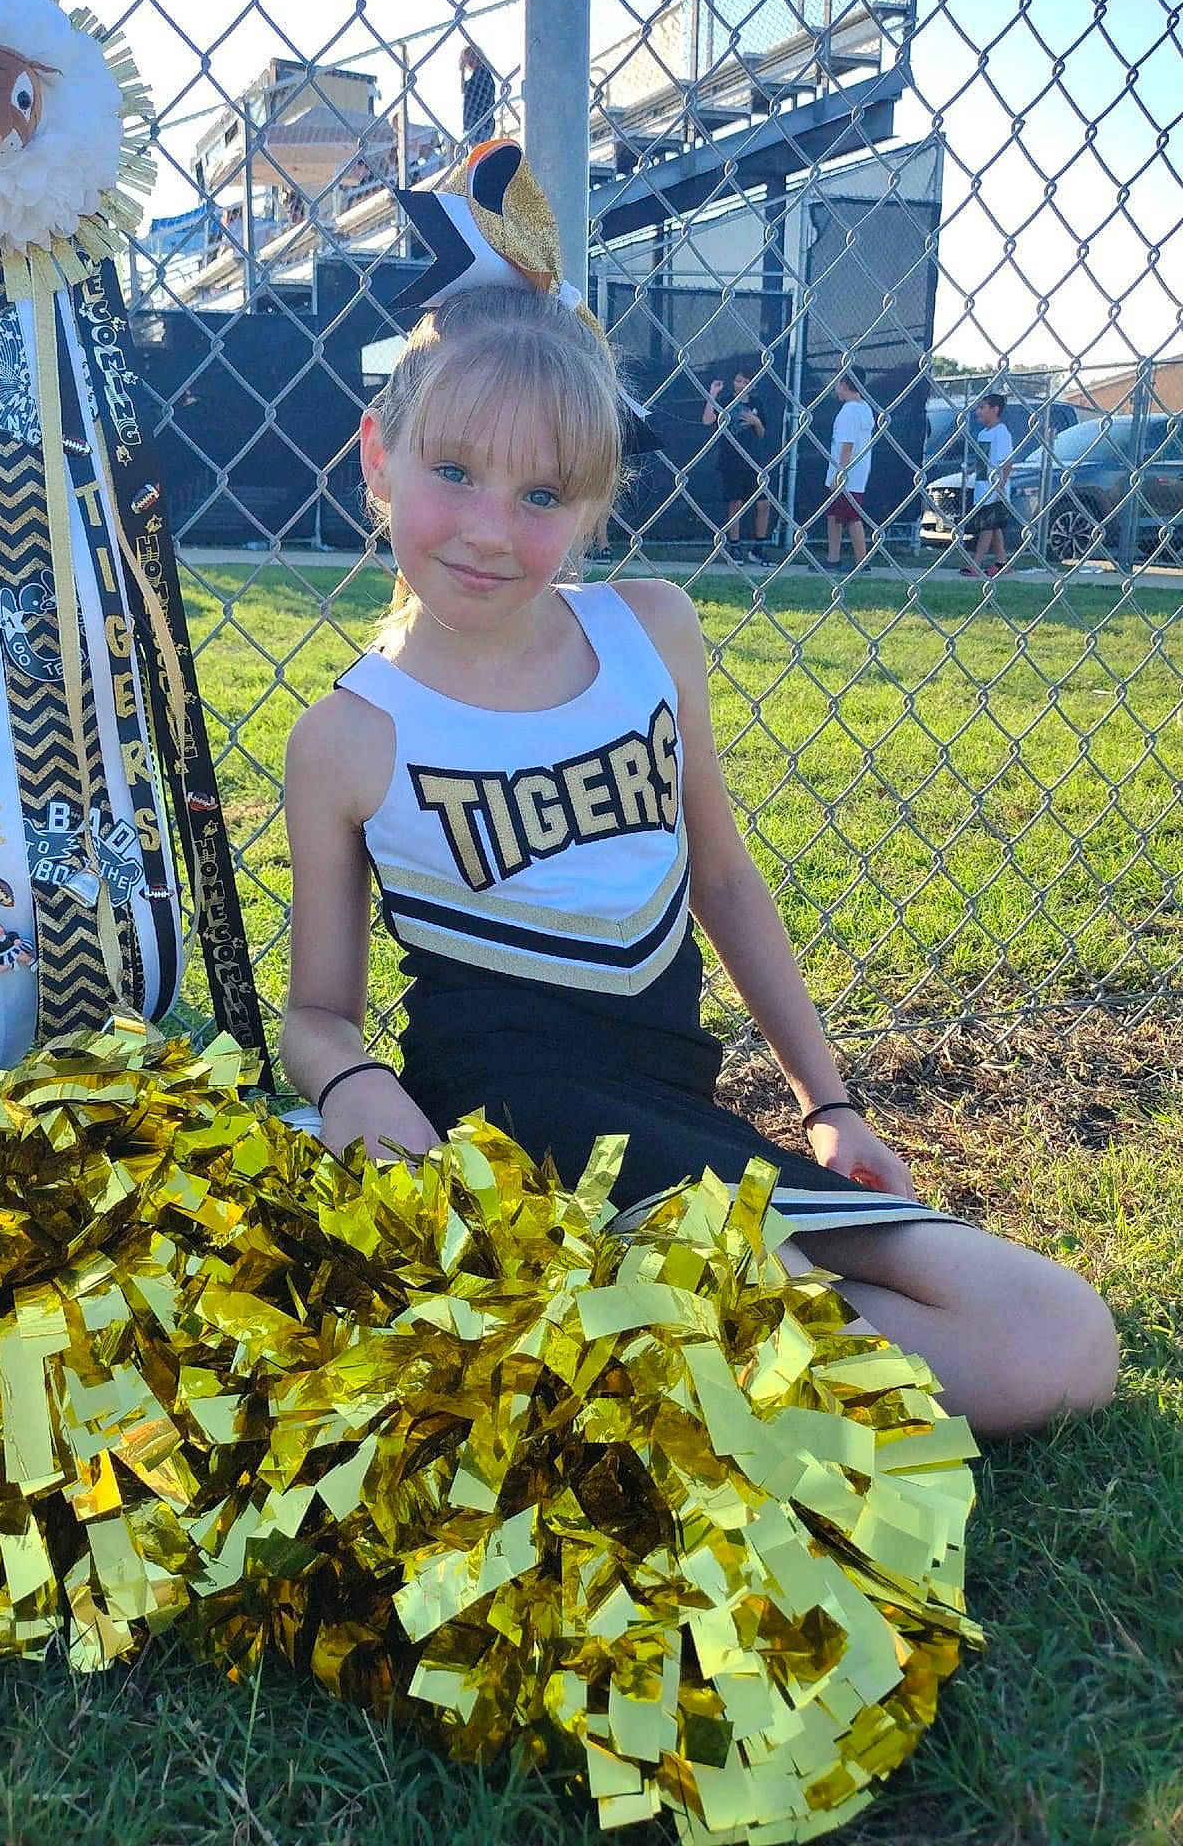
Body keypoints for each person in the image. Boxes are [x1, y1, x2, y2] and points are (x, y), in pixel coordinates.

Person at [282, 276, 1116, 1439]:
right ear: (380, 454)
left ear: (594, 500)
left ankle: (636, 1353)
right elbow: (316, 1014)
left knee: (1061, 1340)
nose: (488, 527)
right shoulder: (347, 736)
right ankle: (631, 1334)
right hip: (510, 1136)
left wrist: (830, 1103)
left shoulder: (649, 631)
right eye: (454, 470)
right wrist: (356, 1086)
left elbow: (720, 875)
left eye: (542, 492)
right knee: (856, 1323)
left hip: (673, 1108)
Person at [702, 367, 772, 561]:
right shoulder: (725, 402)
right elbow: (707, 420)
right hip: (731, 461)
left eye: (745, 382)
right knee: (736, 503)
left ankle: (758, 549)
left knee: (764, 503)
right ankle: (735, 546)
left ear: (752, 384)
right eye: (738, 381)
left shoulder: (756, 404)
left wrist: (756, 422)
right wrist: (713, 394)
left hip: (753, 462)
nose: (741, 385)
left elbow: (761, 433)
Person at [821, 370, 873, 572]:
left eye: (837, 383)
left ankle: (862, 561)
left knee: (851, 517)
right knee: (833, 515)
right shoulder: (865, 408)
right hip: (858, 471)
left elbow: (847, 445)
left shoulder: (849, 412)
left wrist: (839, 473)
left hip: (846, 474)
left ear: (844, 384)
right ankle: (833, 558)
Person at [962, 390, 1014, 578]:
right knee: (994, 527)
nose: (978, 411)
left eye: (982, 407)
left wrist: (1000, 487)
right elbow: (984, 460)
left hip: (994, 492)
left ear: (995, 409)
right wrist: (971, 470)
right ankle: (1002, 563)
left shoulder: (1002, 433)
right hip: (981, 489)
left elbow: (1007, 463)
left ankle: (975, 564)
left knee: (987, 528)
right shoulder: (983, 434)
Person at [459, 42, 497, 144]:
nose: (469, 62)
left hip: (480, 121)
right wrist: (462, 71)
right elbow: (464, 89)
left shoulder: (482, 72)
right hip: (477, 122)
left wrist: (462, 71)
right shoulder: (481, 73)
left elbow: (465, 89)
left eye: (471, 57)